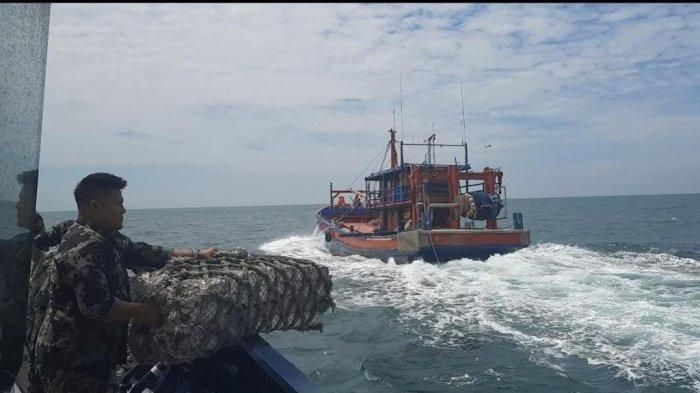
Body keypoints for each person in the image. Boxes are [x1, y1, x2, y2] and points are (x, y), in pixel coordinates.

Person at [32, 173, 218, 393]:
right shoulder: (82, 246)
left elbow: (139, 252)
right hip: (71, 362)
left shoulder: (103, 235)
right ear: (95, 206)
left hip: (94, 356)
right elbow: (97, 307)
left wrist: (196, 255)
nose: (124, 210)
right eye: (118, 203)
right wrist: (142, 311)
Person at [0, 170, 44, 392]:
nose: (16, 205)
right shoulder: (24, 243)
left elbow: (21, 303)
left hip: (25, 352)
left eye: (21, 199)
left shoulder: (39, 248)